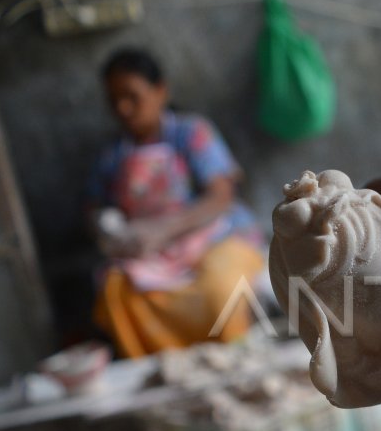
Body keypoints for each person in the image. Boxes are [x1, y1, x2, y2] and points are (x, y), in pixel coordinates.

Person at [89, 48, 264, 358]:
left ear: (160, 91)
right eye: (114, 100)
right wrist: (109, 229)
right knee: (115, 291)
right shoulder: (110, 155)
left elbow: (221, 196)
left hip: (215, 237)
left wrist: (166, 228)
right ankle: (169, 371)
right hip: (152, 252)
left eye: (132, 97)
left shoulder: (191, 132)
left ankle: (236, 362)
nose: (123, 108)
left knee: (220, 290)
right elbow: (94, 207)